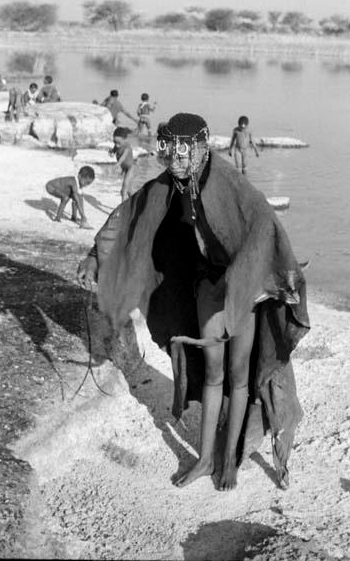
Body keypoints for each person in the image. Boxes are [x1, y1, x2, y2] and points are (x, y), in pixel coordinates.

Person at [77, 113, 309, 492]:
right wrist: (94, 255)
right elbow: (128, 215)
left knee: (239, 376)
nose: (177, 163)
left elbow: (264, 221)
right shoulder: (171, 182)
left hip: (243, 288)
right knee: (215, 373)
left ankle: (230, 458)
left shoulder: (228, 179)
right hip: (207, 287)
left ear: (200, 149)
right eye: (172, 156)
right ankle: (204, 459)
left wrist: (269, 277)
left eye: (183, 155)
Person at [109, 127, 135, 202]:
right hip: (125, 169)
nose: (116, 145)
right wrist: (111, 152)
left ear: (125, 140)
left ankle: (123, 205)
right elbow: (114, 151)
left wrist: (118, 164)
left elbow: (123, 157)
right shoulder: (117, 145)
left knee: (124, 187)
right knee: (129, 190)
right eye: (114, 142)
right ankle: (135, 202)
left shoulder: (127, 147)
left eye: (118, 143)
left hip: (131, 168)